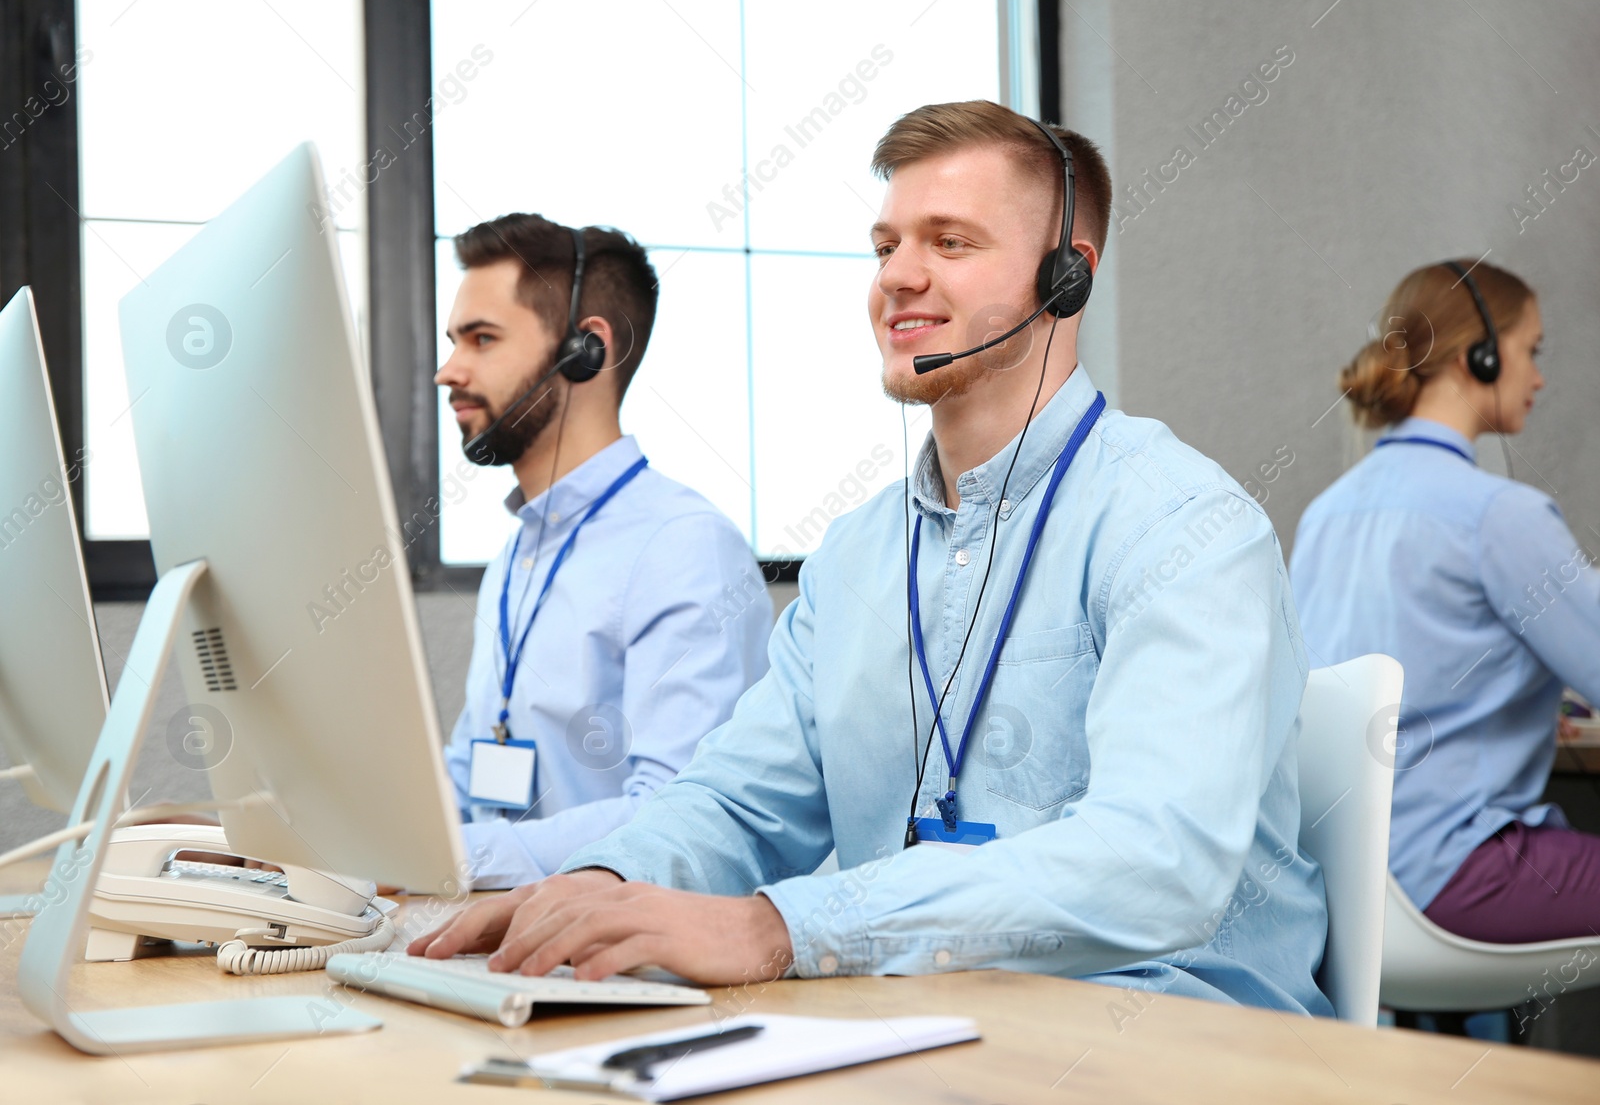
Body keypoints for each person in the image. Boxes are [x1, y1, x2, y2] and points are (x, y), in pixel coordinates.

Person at [412, 102, 1332, 1017]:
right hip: (931, 1020)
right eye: (886, 244)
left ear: (1067, 277)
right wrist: (597, 884)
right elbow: (738, 801)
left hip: (1172, 1030)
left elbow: (1156, 860)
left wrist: (781, 926)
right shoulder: (857, 556)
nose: (899, 275)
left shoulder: (1181, 523)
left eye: (951, 242)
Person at [433, 213, 771, 889]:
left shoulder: (684, 550)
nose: (449, 372)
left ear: (585, 349)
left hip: (625, 965)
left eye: (481, 339)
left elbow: (674, 815)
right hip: (497, 928)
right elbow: (474, 770)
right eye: (453, 342)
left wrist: (454, 859)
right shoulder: (518, 554)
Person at [1291, 258, 1600, 943]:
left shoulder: (1325, 513)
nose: (1540, 377)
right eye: (1531, 351)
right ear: (1478, 358)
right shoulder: (1498, 515)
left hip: (1339, 891)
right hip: (1452, 874)